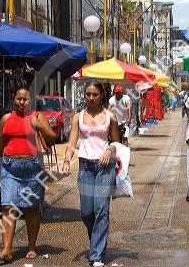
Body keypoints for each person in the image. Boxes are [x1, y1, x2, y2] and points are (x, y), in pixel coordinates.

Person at [0, 86, 56, 263]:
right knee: (8, 208)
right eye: (18, 99)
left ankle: (31, 247)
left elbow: (52, 138)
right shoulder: (6, 118)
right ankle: (7, 250)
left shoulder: (38, 117)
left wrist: (39, 125)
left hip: (33, 169)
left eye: (25, 99)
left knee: (31, 209)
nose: (21, 102)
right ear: (14, 99)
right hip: (10, 168)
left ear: (31, 101)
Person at [63, 82, 119, 267]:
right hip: (85, 168)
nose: (91, 97)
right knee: (87, 213)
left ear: (101, 95)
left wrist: (109, 151)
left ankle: (96, 256)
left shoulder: (110, 116)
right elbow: (72, 143)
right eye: (88, 94)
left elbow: (116, 144)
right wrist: (66, 160)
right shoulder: (78, 117)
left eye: (95, 94)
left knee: (101, 209)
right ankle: (96, 240)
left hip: (105, 168)